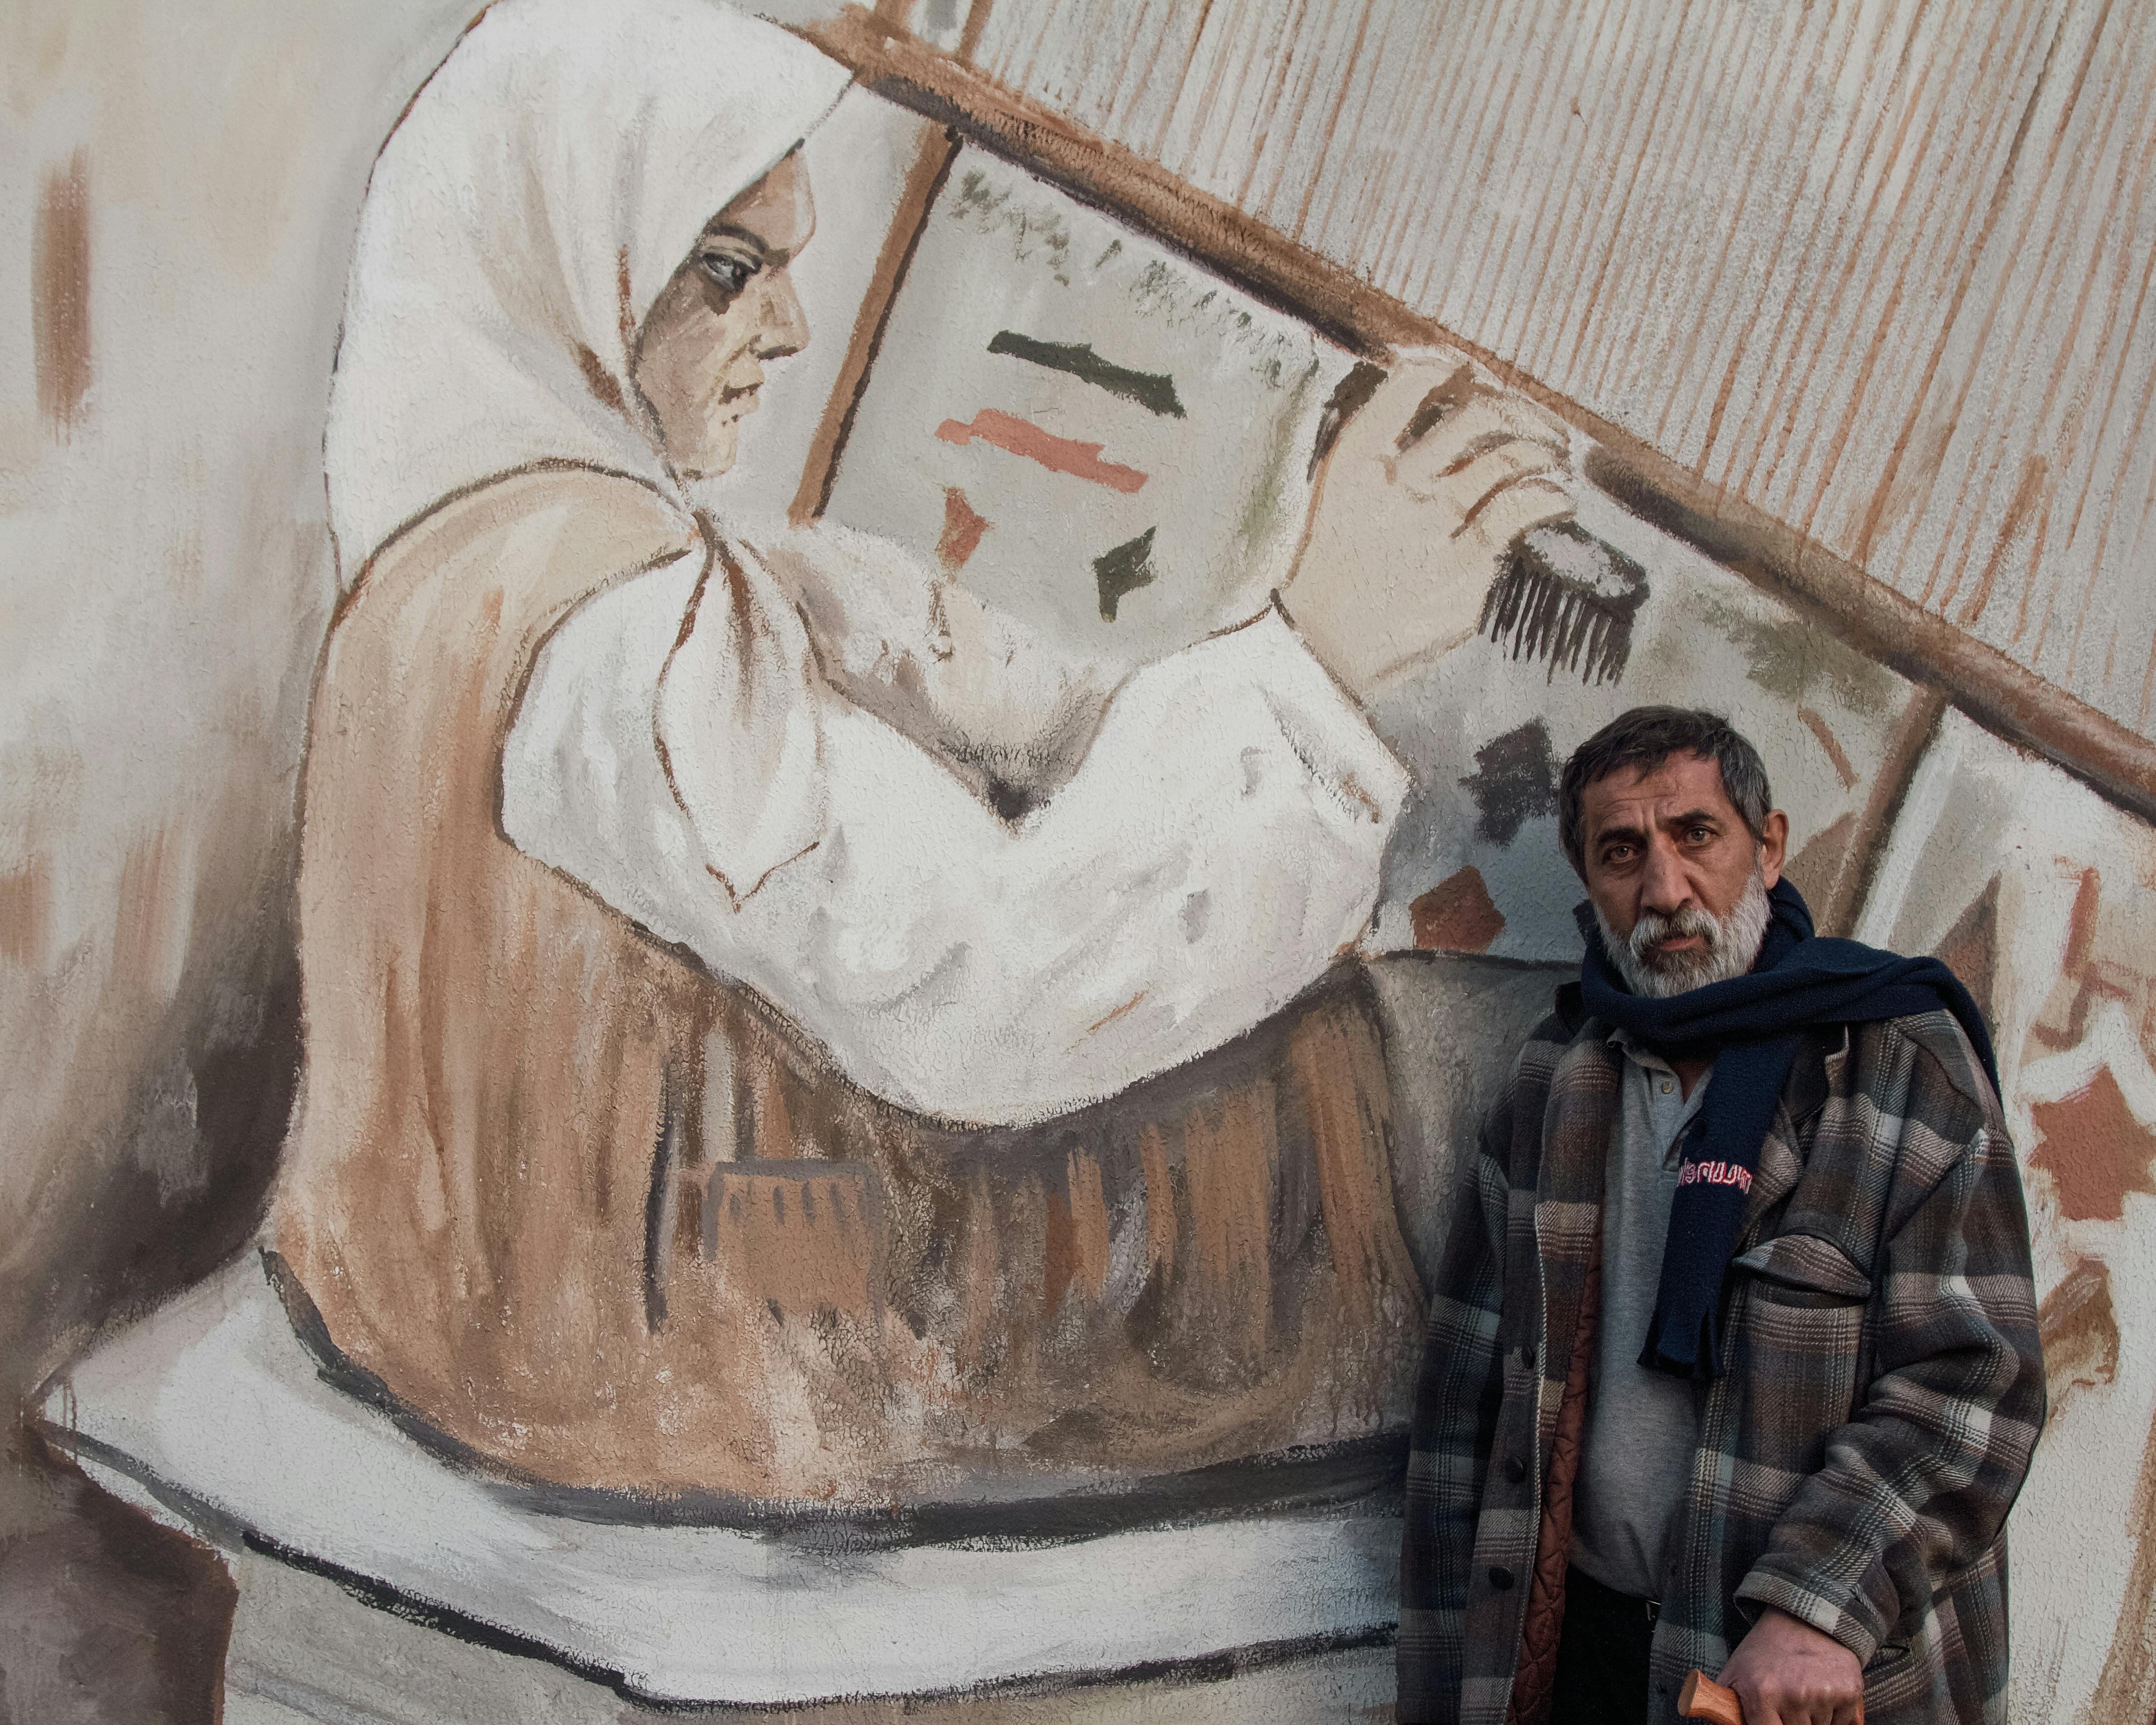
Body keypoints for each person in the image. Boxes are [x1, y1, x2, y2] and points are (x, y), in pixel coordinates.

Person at [272, 0, 1574, 1499]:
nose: (787, 325)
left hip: (477, 1257)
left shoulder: (503, 561)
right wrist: (1316, 660)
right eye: (726, 268)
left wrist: (1211, 688)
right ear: (576, 258)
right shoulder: (610, 641)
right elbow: (981, 996)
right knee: (1275, 1069)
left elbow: (929, 654)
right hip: (631, 1309)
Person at [1397, 707, 2044, 1725]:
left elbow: (1973, 1384)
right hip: (1581, 1651)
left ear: (1768, 846)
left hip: (1807, 1674)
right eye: (1622, 853)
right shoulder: (1555, 1079)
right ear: (1592, 881)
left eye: (1695, 835)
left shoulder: (1897, 1064)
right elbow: (1464, 1405)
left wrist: (1820, 1604)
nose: (1663, 889)